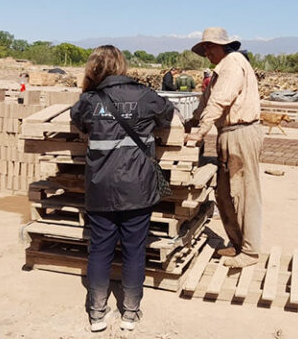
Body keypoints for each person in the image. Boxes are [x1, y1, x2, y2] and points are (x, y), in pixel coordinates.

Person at [70, 45, 174, 332]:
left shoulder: (89, 100)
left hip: (100, 188)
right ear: (122, 66)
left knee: (100, 250)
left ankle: (97, 314)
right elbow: (167, 115)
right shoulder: (143, 95)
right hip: (137, 190)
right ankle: (130, 313)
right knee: (133, 250)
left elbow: (78, 121)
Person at [185, 27, 263, 268]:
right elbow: (206, 101)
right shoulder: (220, 71)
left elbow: (220, 101)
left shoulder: (232, 64)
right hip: (227, 133)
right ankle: (238, 243)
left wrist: (200, 132)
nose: (207, 51)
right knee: (225, 193)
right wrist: (190, 122)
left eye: (210, 46)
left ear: (223, 46)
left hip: (240, 133)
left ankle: (249, 251)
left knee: (243, 192)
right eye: (204, 47)